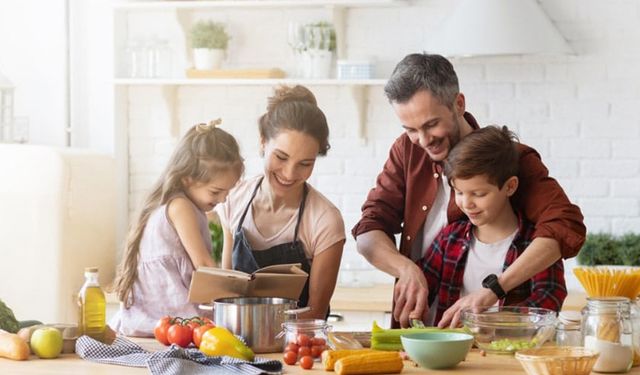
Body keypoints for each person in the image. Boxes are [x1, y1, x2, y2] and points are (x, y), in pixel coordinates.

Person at [352, 53, 585, 328]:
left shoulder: (509, 159)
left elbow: (564, 224)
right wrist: (406, 269)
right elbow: (368, 229)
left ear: (459, 104)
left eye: (431, 125)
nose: (423, 140)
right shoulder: (407, 150)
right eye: (411, 129)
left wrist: (495, 291)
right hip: (425, 329)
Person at [216, 85, 345, 320]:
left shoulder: (325, 220)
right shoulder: (233, 199)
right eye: (281, 157)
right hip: (237, 344)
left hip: (297, 348)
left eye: (305, 164)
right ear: (263, 141)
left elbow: (315, 313)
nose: (289, 173)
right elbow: (227, 293)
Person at [419, 126, 567, 326]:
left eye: (479, 194)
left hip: (511, 353)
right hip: (451, 353)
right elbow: (423, 288)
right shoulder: (449, 238)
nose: (466, 203)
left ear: (510, 186)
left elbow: (550, 300)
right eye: (459, 192)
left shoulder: (535, 244)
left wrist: (488, 321)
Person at [110, 120, 244, 336]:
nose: (222, 199)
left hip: (159, 317)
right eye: (216, 191)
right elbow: (203, 264)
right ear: (187, 179)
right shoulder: (181, 207)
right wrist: (234, 295)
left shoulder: (182, 204)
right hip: (166, 317)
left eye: (227, 192)